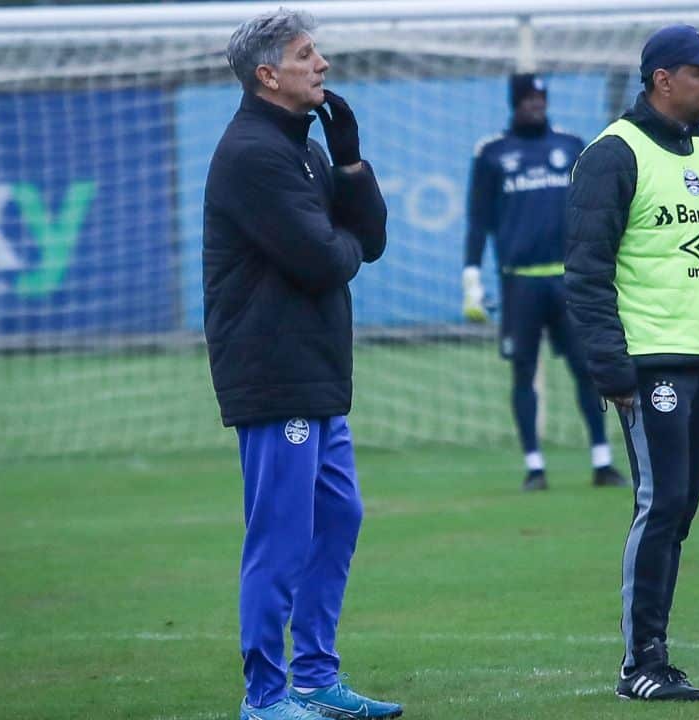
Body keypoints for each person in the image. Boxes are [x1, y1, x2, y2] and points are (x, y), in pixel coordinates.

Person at [204, 9, 402, 720]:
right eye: (306, 54)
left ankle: (317, 678)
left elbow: (366, 243)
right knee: (281, 535)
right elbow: (325, 261)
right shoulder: (252, 152)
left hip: (316, 369)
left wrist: (349, 161)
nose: (322, 64)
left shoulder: (307, 147)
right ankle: (265, 696)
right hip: (273, 370)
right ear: (268, 75)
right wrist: (341, 238)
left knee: (339, 515)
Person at [565, 24, 699, 702]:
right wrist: (611, 371)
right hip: (650, 368)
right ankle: (640, 663)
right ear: (662, 80)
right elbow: (584, 275)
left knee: (679, 512)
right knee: (661, 503)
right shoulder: (613, 154)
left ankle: (655, 655)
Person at [462, 73, 626, 492]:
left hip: (569, 281)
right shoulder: (492, 153)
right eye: (528, 98)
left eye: (541, 98)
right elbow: (478, 220)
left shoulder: (571, 146)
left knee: (587, 371)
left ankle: (602, 461)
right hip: (519, 284)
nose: (536, 105)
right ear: (514, 103)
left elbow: (594, 210)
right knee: (523, 373)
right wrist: (472, 276)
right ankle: (534, 466)